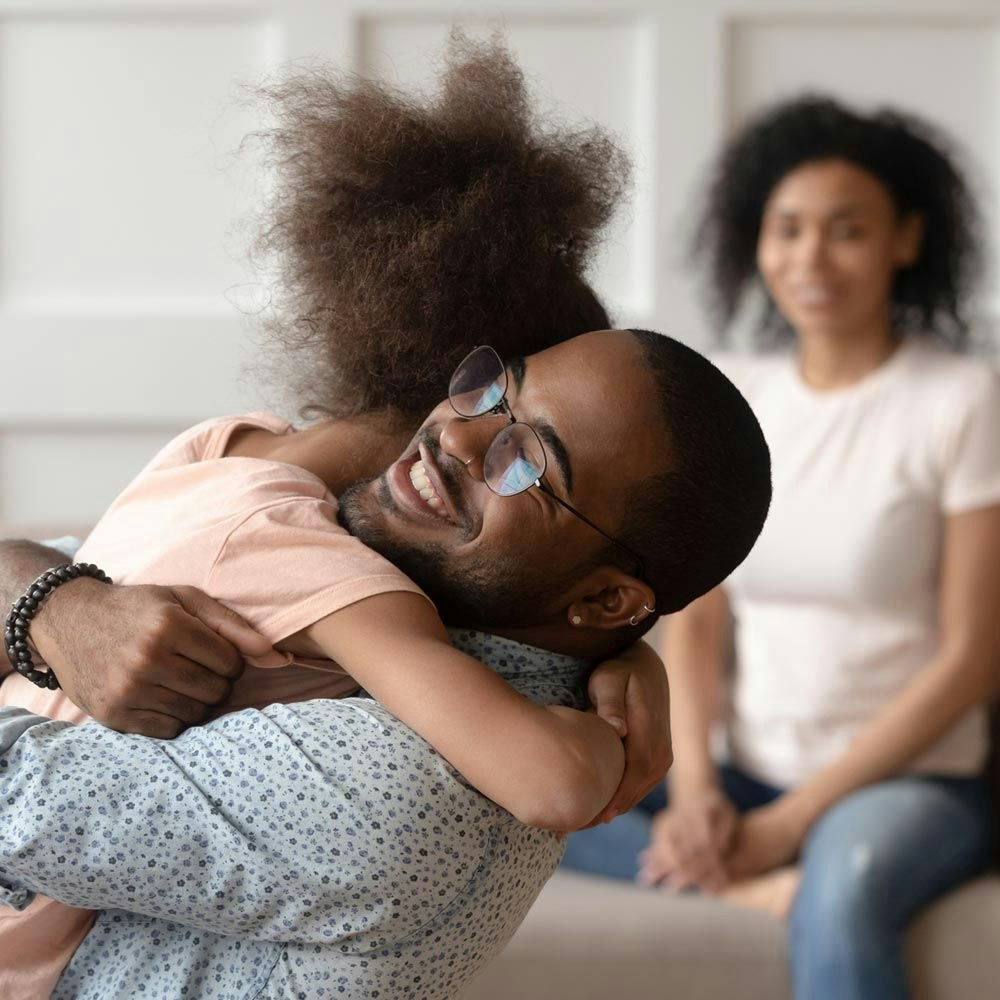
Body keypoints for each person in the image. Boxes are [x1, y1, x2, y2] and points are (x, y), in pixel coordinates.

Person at [0, 35, 639, 999]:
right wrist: (609, 701)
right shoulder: (328, 572)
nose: (468, 445)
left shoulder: (223, 445)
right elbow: (543, 773)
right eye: (496, 414)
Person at [0, 327, 773, 999]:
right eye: (494, 391)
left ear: (606, 602)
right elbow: (95, 567)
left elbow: (16, 800)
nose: (458, 437)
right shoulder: (377, 581)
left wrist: (39, 603)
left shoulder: (400, 779)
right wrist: (52, 599)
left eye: (528, 464)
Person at [561, 95, 1000, 1000]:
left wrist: (794, 820)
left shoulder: (964, 400)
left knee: (848, 888)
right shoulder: (739, 395)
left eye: (848, 231)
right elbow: (701, 625)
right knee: (533, 790)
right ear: (755, 243)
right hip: (739, 770)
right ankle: (754, 894)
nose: (811, 258)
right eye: (788, 229)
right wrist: (690, 795)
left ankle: (778, 879)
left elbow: (971, 659)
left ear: (907, 240)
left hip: (908, 785)